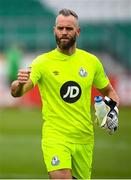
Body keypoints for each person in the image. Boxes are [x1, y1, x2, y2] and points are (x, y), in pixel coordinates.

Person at [11, 9, 119, 179]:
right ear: (54, 30)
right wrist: (18, 84)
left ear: (78, 31)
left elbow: (109, 91)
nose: (64, 33)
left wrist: (112, 111)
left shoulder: (91, 62)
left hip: (84, 138)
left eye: (68, 29)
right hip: (55, 137)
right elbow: (18, 92)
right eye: (60, 28)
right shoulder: (42, 62)